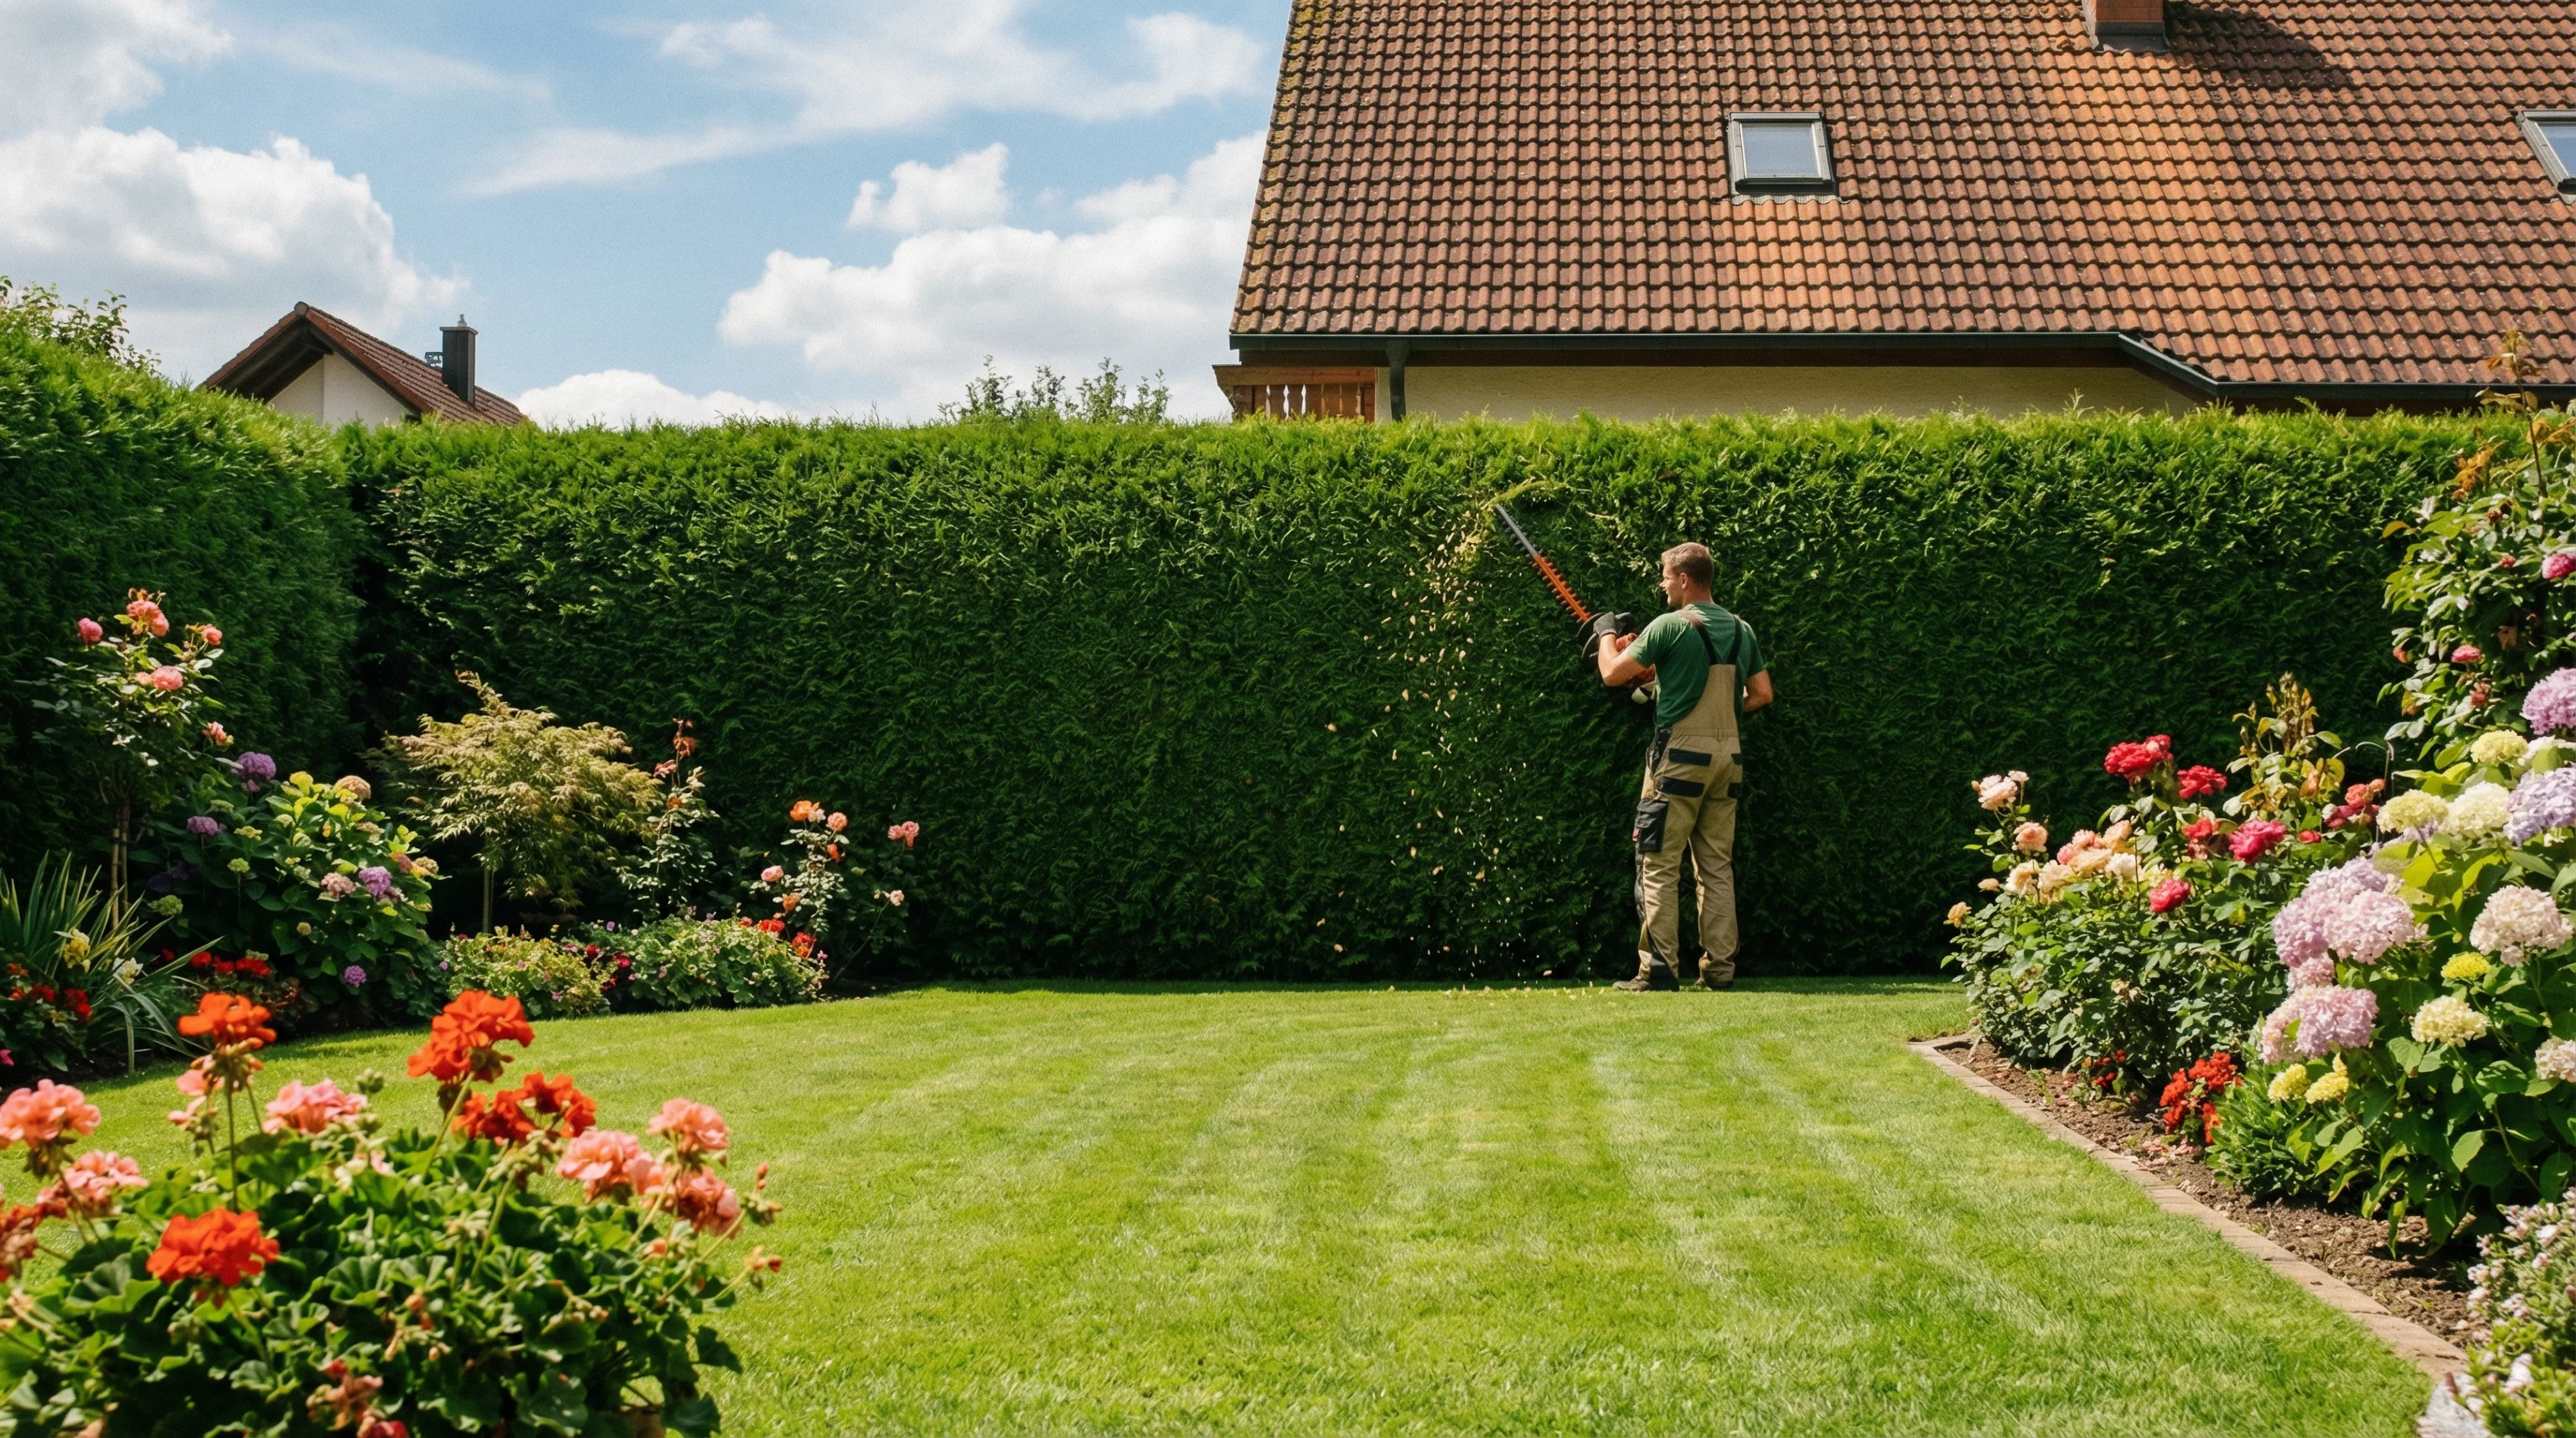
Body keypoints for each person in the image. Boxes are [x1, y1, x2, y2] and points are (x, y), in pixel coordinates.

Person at [1588, 542, 1773, 991]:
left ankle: (1658, 970)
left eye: (1666, 576)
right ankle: (1720, 971)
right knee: (1715, 867)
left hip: (1678, 761)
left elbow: (1612, 673)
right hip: (1728, 760)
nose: (1662, 584)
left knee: (1658, 862)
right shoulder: (1741, 629)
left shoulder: (1669, 626)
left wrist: (1605, 633)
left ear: (1685, 579)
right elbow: (1762, 695)